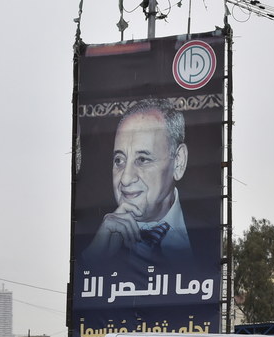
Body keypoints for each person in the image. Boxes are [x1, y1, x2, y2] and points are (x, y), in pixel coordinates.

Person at [81, 98, 192, 268]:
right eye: (119, 160)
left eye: (142, 159)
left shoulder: (211, 231)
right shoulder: (89, 239)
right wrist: (92, 260)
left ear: (178, 162)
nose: (125, 179)